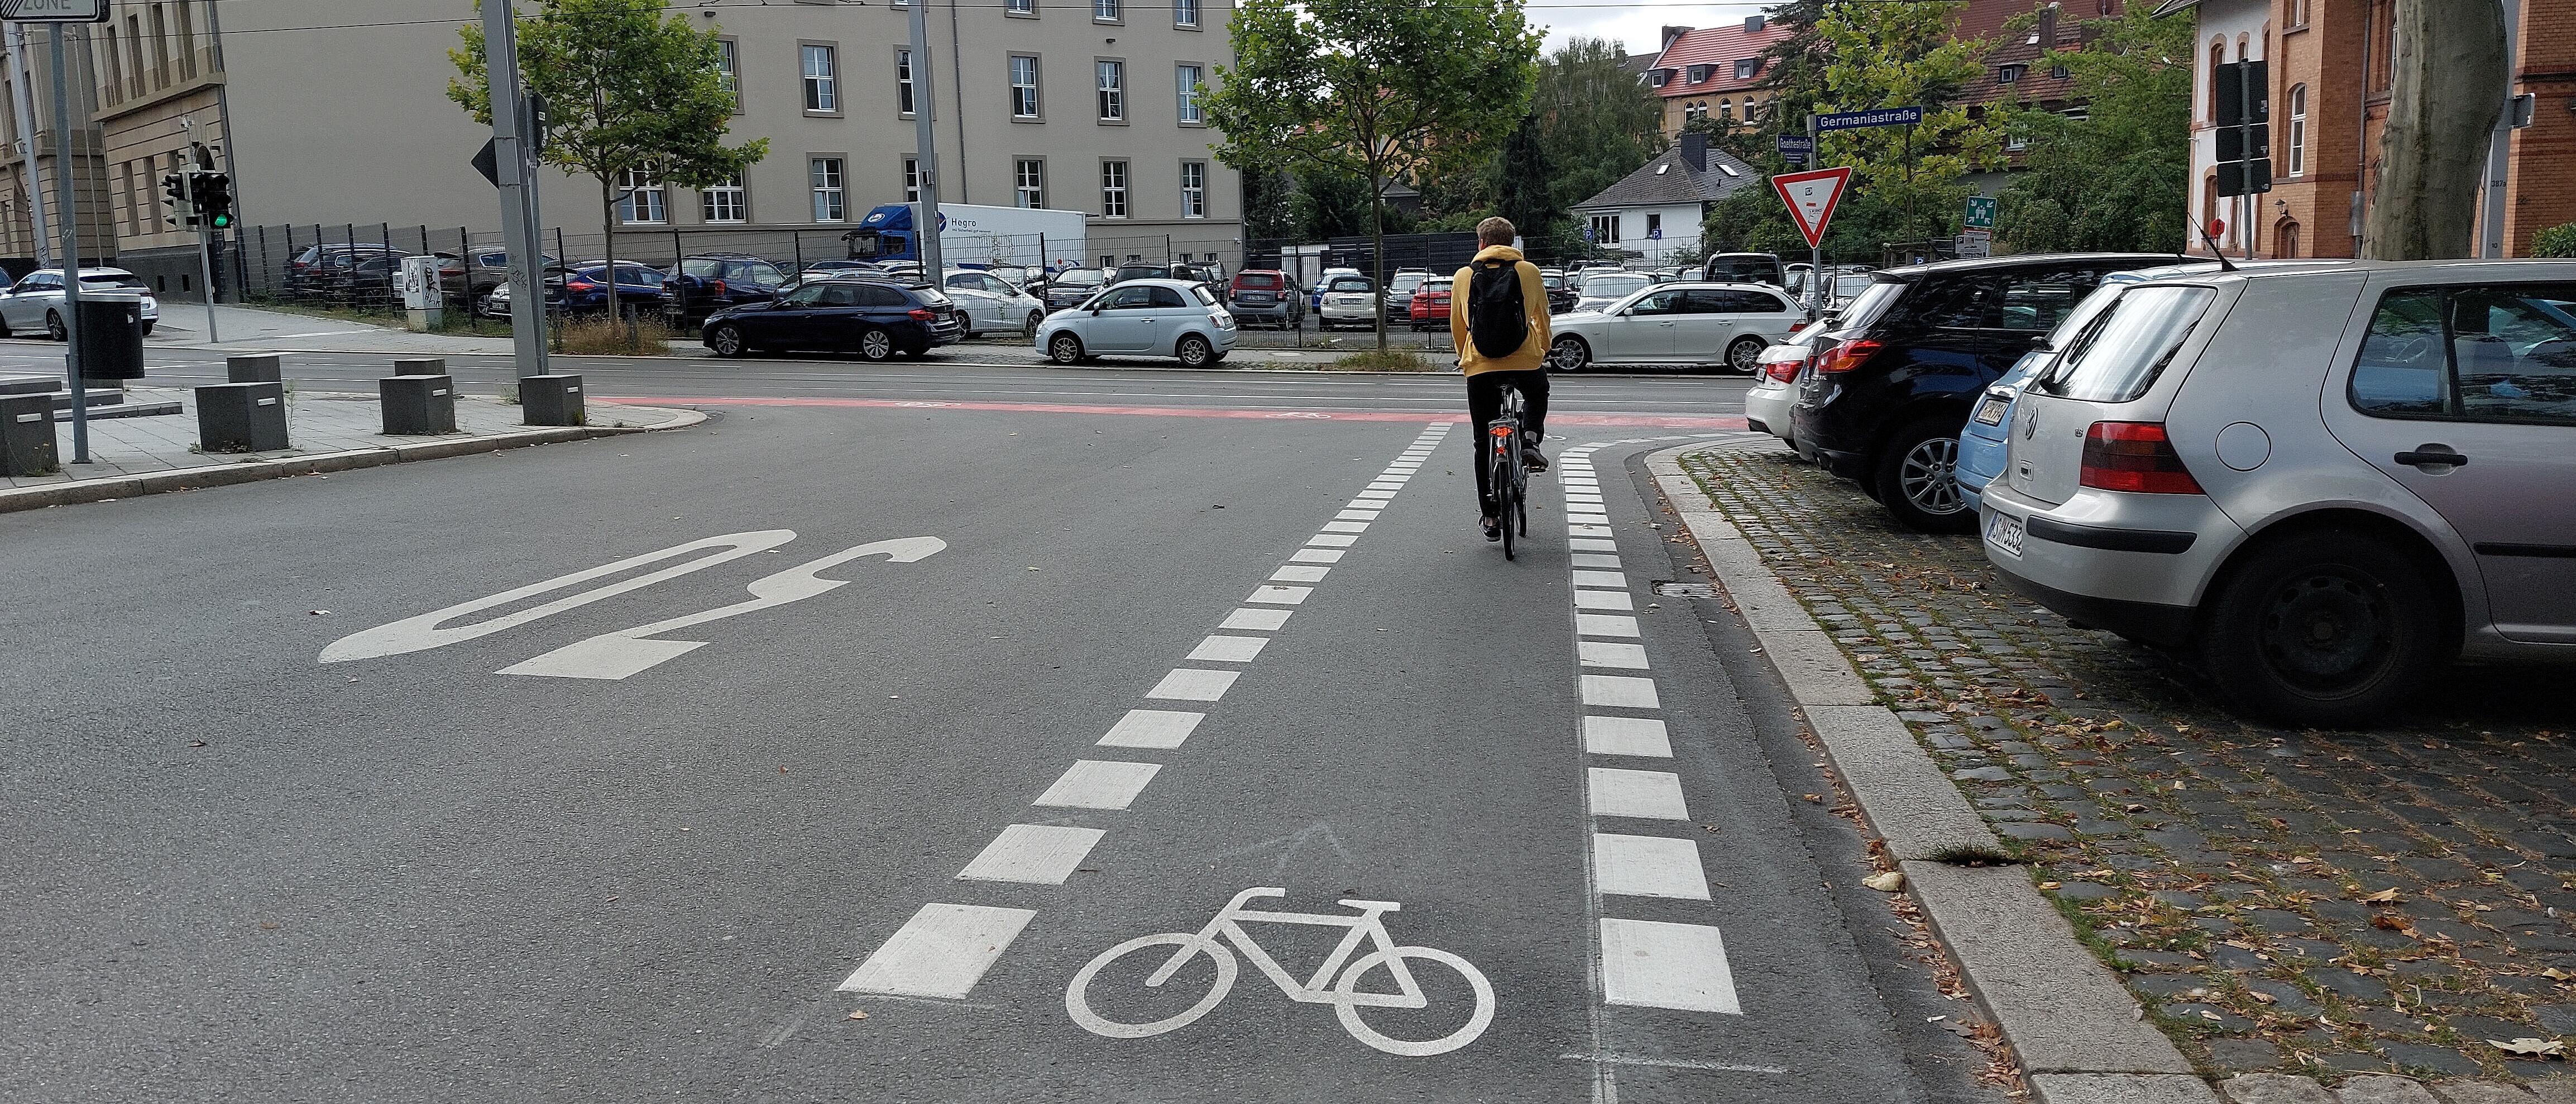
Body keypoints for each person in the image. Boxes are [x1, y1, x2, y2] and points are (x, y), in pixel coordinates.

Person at [1449, 216, 1552, 542]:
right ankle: (1530, 440)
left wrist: (1465, 356)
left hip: (1480, 366)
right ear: (1512, 243)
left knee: (1483, 442)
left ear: (1481, 243)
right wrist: (1543, 350)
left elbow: (1458, 324)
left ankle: (1491, 517)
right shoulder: (1529, 272)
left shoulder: (1464, 276)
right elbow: (1541, 316)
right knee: (1538, 392)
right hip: (1524, 361)